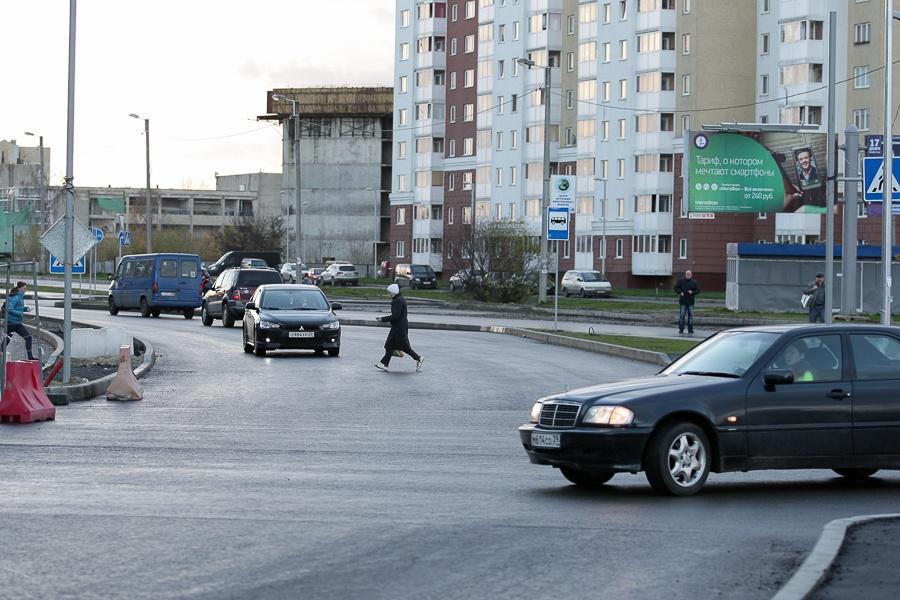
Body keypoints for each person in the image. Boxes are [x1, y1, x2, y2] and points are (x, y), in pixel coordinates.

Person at [373, 283, 424, 372]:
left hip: (398, 327)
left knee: (396, 346)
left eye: (389, 292)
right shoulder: (400, 299)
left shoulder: (397, 301)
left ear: (393, 292)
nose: (389, 294)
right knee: (392, 345)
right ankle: (385, 364)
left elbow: (395, 316)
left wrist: (382, 319)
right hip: (399, 326)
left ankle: (418, 358)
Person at [2, 281, 35, 361]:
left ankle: (30, 357)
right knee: (7, 340)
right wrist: (20, 313)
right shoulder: (16, 297)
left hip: (16, 322)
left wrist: (26, 309)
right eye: (24, 288)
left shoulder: (19, 297)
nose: (25, 289)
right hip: (11, 322)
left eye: (26, 288)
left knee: (27, 337)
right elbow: (9, 309)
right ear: (19, 288)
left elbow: (17, 307)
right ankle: (1, 353)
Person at [674, 270, 700, 335]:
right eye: (686, 274)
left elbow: (698, 290)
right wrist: (680, 292)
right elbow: (675, 288)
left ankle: (690, 330)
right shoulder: (681, 281)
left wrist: (692, 292)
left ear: (691, 275)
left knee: (690, 316)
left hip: (690, 302)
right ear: (685, 274)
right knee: (682, 316)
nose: (687, 275)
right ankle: (681, 329)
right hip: (683, 302)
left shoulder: (694, 282)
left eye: (689, 274)